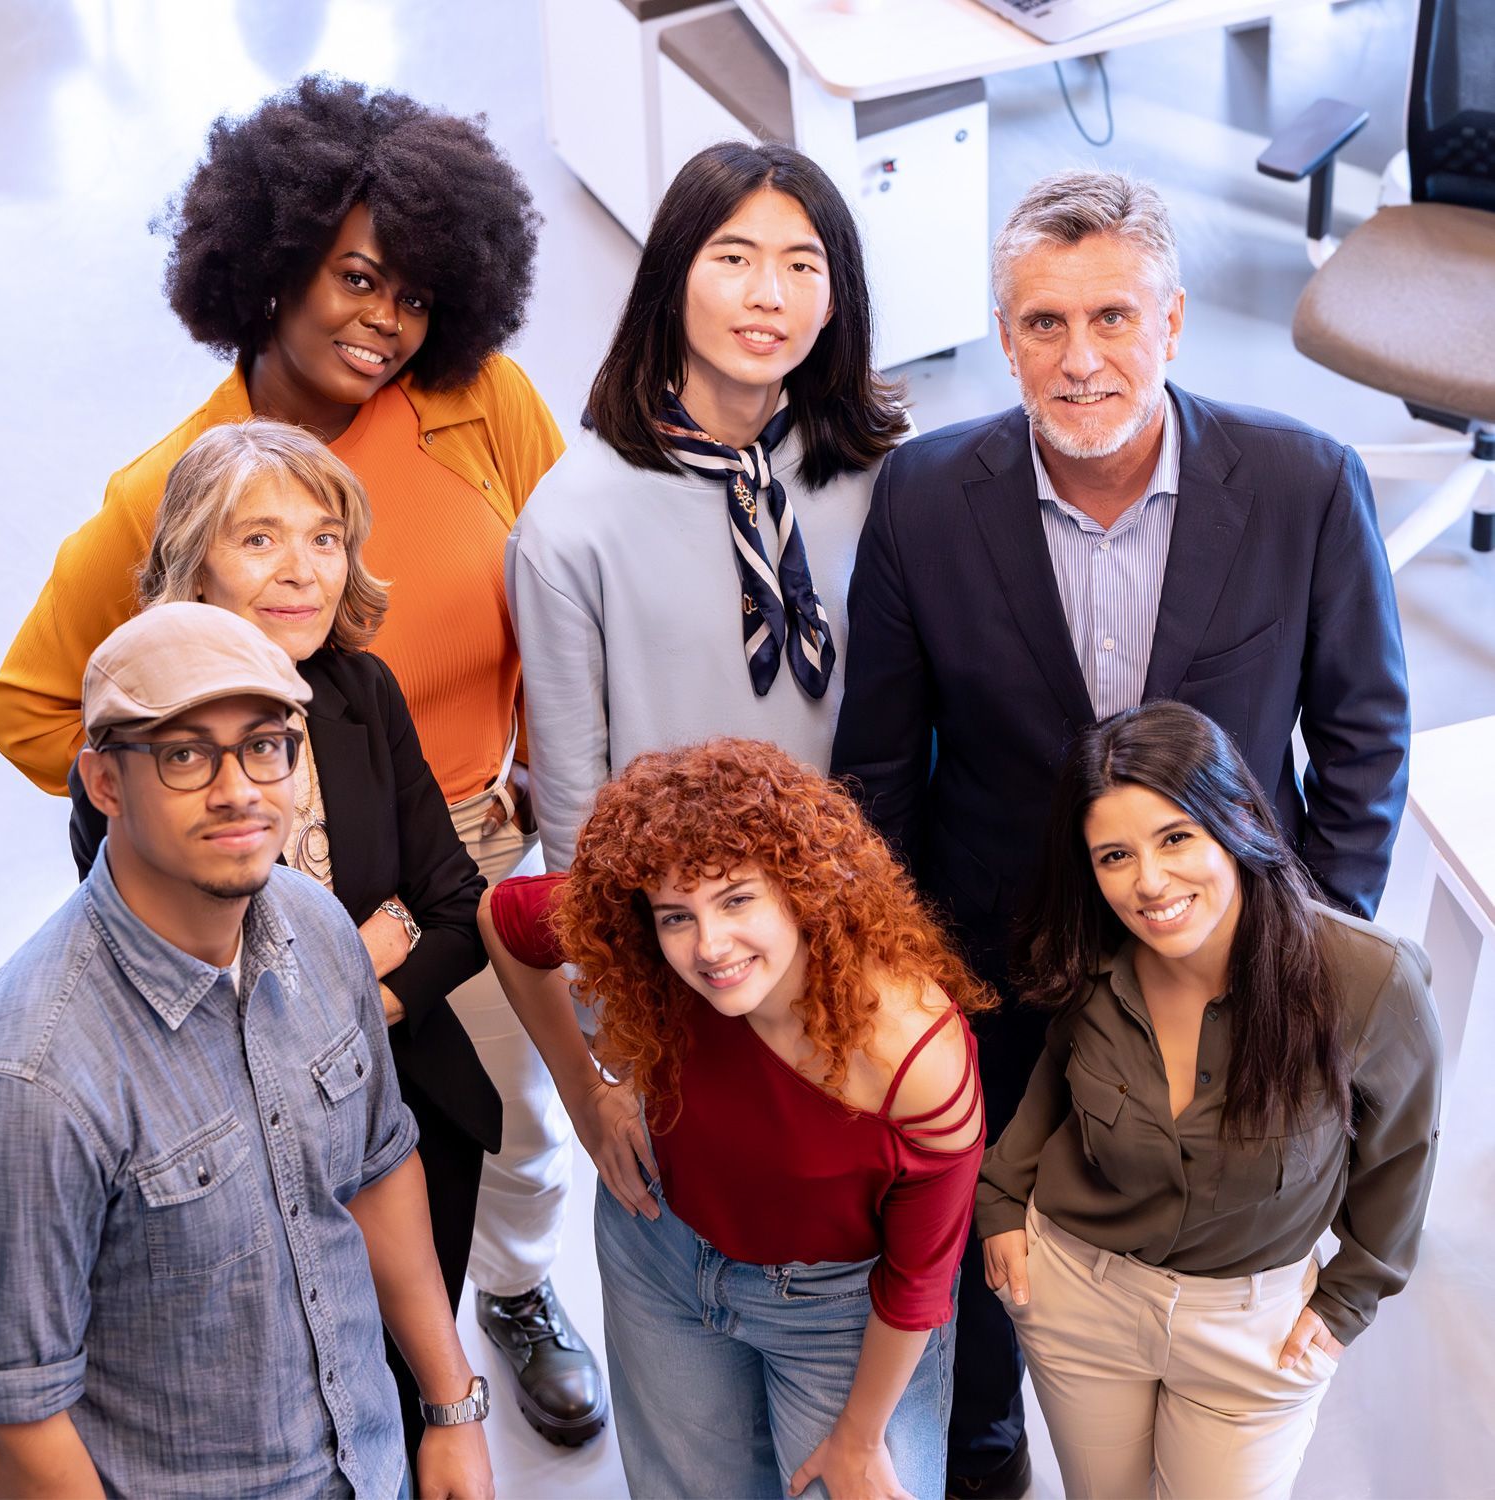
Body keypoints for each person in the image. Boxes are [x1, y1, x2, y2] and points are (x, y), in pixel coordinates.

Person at [0, 76, 602, 1441]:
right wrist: (192, 801)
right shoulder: (166, 488)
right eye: (357, 279)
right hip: (266, 876)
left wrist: (528, 774)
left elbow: (562, 595)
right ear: (268, 270)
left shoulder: (484, 405)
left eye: (417, 294)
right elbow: (38, 707)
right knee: (304, 1152)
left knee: (511, 1114)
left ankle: (511, 1294)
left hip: (477, 838)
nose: (389, 324)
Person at [829, 168, 1411, 1498]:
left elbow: (1363, 742)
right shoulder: (923, 498)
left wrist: (1296, 954)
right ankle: (985, 1462)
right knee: (978, 1285)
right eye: (1043, 324)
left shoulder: (1305, 482)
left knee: (1192, 1262)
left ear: (1175, 323)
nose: (1080, 360)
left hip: (1227, 972)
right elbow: (876, 770)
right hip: (993, 966)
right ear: (1002, 334)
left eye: (1112, 318)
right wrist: (906, 976)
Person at [64, 419, 498, 1475]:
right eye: (259, 539)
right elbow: (175, 981)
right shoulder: (135, 730)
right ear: (193, 561)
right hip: (223, 1137)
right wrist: (370, 940)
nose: (302, 570)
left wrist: (349, 1004)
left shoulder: (363, 693)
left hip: (407, 1103)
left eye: (325, 537)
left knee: (408, 1389)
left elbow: (451, 911)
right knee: (284, 1400)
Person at [481, 739, 991, 1500]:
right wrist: (585, 1096)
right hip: (660, 1254)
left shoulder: (913, 1053)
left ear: (801, 887)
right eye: (676, 915)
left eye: (737, 899)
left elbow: (921, 1277)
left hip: (842, 1313)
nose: (710, 947)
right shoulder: (650, 944)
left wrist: (858, 1437)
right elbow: (503, 919)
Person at [978, 699, 1441, 1499]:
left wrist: (1350, 1299)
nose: (1149, 883)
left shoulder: (1371, 979)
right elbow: (1055, 1081)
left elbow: (1403, 1154)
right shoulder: (1092, 959)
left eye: (1176, 838)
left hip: (1251, 1332)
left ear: (1236, 821)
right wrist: (1000, 1199)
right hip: (1081, 1299)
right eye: (1115, 855)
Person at [506, 137, 908, 872]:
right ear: (672, 278)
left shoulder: (890, 474)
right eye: (734, 258)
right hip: (685, 922)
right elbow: (572, 804)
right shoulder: (569, 523)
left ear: (835, 301)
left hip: (857, 896)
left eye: (802, 264)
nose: (769, 294)